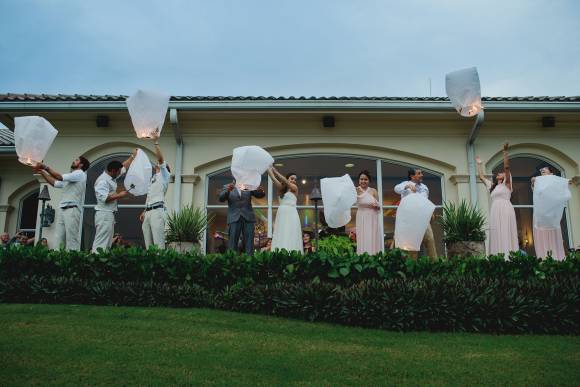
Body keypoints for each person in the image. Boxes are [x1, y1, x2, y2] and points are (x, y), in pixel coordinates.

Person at [34, 156, 90, 250]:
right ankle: (58, 261)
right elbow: (55, 183)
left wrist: (45, 167)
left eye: (76, 160)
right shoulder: (72, 176)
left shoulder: (79, 174)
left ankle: (73, 262)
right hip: (63, 209)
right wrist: (42, 173)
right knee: (58, 238)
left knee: (71, 239)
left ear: (81, 165)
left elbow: (59, 177)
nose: (73, 161)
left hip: (72, 209)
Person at [476, 142, 518, 256]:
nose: (501, 173)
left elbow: (507, 167)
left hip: (505, 209)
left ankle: (509, 256)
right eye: (500, 172)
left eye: (502, 173)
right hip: (495, 210)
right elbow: (481, 177)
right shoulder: (493, 186)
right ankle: (497, 257)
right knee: (497, 232)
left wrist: (505, 152)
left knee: (505, 231)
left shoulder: (507, 185)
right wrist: (479, 164)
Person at [91, 150, 136, 253]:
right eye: (119, 172)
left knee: (107, 243)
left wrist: (132, 156)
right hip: (104, 214)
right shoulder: (102, 181)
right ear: (113, 171)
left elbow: (124, 166)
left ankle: (102, 263)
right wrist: (120, 195)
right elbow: (104, 198)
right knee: (101, 242)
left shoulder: (111, 176)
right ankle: (95, 262)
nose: (121, 173)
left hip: (108, 215)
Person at [394, 167, 437, 259]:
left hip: (423, 218)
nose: (422, 175)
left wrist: (431, 212)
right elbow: (396, 189)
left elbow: (425, 201)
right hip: (410, 220)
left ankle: (435, 265)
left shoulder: (424, 187)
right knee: (412, 246)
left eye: (421, 173)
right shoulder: (405, 184)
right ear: (412, 176)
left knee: (430, 239)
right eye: (419, 173)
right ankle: (413, 269)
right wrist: (407, 186)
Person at [531, 166, 571, 260]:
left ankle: (557, 259)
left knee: (554, 236)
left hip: (551, 215)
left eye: (545, 169)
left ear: (551, 173)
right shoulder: (538, 181)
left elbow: (565, 182)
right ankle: (543, 258)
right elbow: (534, 185)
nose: (542, 170)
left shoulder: (555, 181)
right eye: (542, 170)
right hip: (540, 214)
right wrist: (534, 181)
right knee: (541, 236)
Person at [139, 132, 170, 249]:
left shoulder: (165, 175)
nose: (157, 163)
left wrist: (155, 142)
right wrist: (145, 210)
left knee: (158, 243)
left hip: (158, 211)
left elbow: (161, 159)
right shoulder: (153, 179)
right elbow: (150, 196)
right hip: (149, 212)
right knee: (148, 244)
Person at [218, 179, 265, 255]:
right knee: (233, 242)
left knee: (249, 242)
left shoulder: (248, 186)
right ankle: (232, 261)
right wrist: (228, 190)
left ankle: (249, 262)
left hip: (248, 217)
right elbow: (221, 198)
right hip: (234, 217)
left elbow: (260, 195)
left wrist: (260, 190)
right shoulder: (227, 186)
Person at [267, 167, 303, 253]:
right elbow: (273, 178)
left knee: (290, 232)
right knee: (281, 232)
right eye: (292, 178)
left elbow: (286, 182)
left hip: (291, 213)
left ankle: (292, 253)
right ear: (288, 178)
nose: (294, 180)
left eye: (295, 179)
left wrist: (276, 171)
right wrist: (268, 168)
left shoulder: (294, 188)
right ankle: (280, 253)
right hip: (282, 214)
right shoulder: (281, 189)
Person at [355, 170, 381, 255]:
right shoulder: (356, 190)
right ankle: (362, 256)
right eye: (361, 179)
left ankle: (373, 256)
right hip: (361, 216)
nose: (363, 181)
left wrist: (376, 206)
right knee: (363, 237)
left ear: (369, 181)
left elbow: (379, 206)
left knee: (372, 236)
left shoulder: (373, 191)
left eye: (365, 179)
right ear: (359, 180)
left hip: (372, 216)